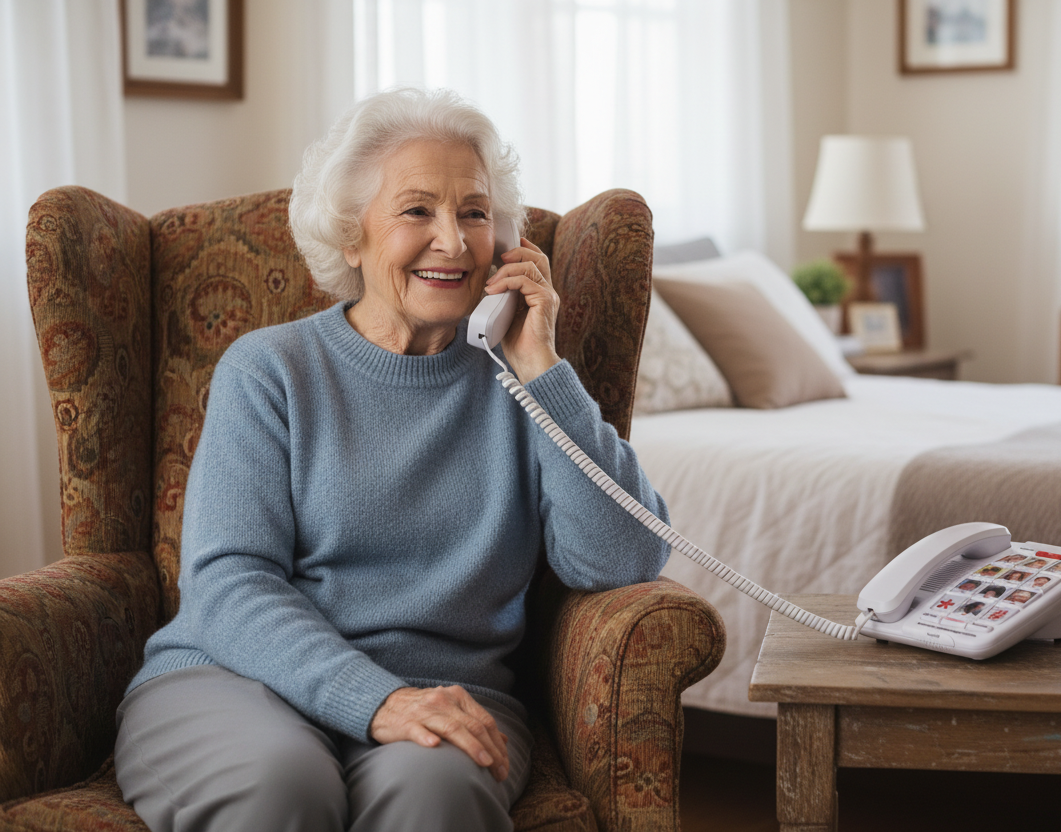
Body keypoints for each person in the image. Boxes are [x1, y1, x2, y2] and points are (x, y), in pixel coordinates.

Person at [112, 88, 670, 832]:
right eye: (417, 211)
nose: (453, 240)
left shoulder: (526, 386)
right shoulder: (270, 371)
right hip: (237, 680)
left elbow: (622, 557)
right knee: (280, 785)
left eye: (474, 213)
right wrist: (373, 699)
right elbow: (227, 581)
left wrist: (541, 369)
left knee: (435, 796)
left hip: (448, 694)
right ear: (352, 236)